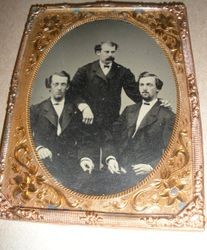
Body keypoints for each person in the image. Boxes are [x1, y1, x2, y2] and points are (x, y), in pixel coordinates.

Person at [69, 41, 141, 172]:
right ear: (98, 52)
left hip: (111, 120)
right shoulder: (85, 71)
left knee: (111, 160)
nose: (110, 55)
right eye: (107, 52)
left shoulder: (123, 72)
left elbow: (136, 94)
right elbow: (72, 93)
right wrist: (84, 107)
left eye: (113, 52)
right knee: (87, 160)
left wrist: (157, 102)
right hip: (87, 121)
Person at [107, 72, 176, 190]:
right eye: (141, 85)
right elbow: (111, 135)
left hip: (143, 174)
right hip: (118, 167)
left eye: (149, 85)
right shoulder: (129, 110)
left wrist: (152, 167)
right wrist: (110, 158)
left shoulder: (167, 115)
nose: (144, 88)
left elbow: (172, 150)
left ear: (158, 88)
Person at [30, 71, 90, 188]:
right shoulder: (36, 109)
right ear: (49, 86)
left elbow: (85, 138)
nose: (59, 88)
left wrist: (85, 157)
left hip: (71, 166)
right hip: (44, 163)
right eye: (55, 84)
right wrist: (39, 147)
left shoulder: (77, 111)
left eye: (63, 84)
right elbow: (24, 135)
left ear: (67, 87)